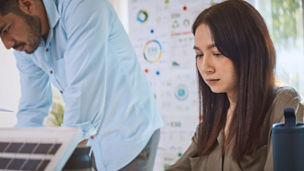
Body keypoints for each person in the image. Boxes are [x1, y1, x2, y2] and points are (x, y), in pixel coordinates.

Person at [0, 0, 163, 170]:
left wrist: (58, 160)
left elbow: (83, 94)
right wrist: (18, 160)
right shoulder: (25, 42)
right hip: (94, 142)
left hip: (130, 135)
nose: (6, 44)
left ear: (27, 4)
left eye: (5, 29)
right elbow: (32, 108)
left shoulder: (82, 6)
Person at [167, 0, 304, 170]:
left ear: (249, 52)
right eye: (199, 55)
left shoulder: (284, 104)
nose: (205, 67)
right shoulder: (213, 118)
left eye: (216, 53)